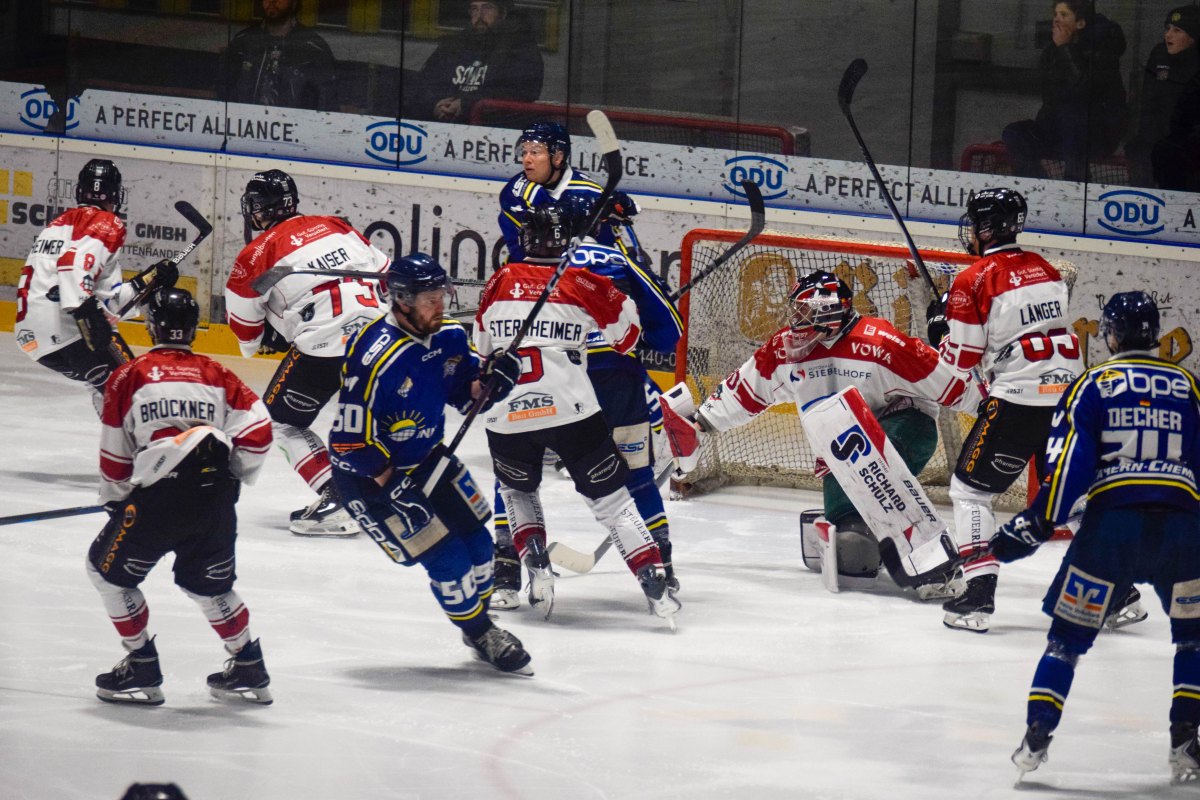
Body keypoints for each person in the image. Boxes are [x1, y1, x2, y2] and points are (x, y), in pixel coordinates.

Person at [990, 292, 1200, 782]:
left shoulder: (1093, 384)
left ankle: (1037, 736)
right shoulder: (1188, 385)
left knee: (1065, 642)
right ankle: (1186, 740)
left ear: (1111, 335)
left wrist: (1038, 523)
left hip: (1110, 531)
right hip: (1183, 533)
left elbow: (1070, 466)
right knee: (1193, 640)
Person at [687, 270, 983, 594]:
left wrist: (990, 408)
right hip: (843, 450)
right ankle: (871, 529)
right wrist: (701, 422)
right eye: (796, 310)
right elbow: (745, 389)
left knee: (865, 457)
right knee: (853, 552)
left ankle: (931, 559)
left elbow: (948, 380)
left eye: (805, 312)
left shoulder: (880, 342)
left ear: (828, 312)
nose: (796, 319)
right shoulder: (786, 349)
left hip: (905, 427)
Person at [327, 253, 532, 675]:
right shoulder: (374, 356)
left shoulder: (450, 336)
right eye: (429, 300)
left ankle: (477, 625)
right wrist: (391, 485)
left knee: (481, 547)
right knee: (449, 560)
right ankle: (481, 631)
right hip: (371, 477)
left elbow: (466, 394)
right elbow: (348, 442)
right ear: (402, 300)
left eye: (442, 296)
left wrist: (494, 382)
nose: (440, 306)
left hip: (426, 460)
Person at [475, 208, 681, 626]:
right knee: (615, 499)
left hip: (509, 411)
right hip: (577, 405)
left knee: (515, 491)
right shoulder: (587, 278)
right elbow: (632, 338)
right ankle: (657, 582)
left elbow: (483, 350)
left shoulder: (500, 279)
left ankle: (525, 567)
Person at [87, 287, 274, 706]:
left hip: (157, 503)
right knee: (211, 587)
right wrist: (231, 476)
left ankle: (141, 665)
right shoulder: (218, 373)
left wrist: (116, 500)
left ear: (151, 326)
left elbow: (115, 456)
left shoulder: (128, 375)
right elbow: (259, 431)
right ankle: (248, 664)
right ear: (193, 328)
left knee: (107, 574)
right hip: (213, 501)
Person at [224, 169, 390, 537]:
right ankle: (395, 495)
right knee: (377, 421)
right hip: (380, 339)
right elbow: (385, 273)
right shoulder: (335, 225)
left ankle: (340, 497)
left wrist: (266, 337)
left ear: (257, 209)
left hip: (324, 347)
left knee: (281, 422)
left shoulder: (256, 254)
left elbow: (245, 331)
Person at [14, 159, 177, 414]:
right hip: (69, 333)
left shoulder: (57, 225)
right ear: (116, 195)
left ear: (80, 191)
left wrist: (147, 283)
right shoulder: (107, 222)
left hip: (34, 340)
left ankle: (116, 434)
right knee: (141, 398)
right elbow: (72, 266)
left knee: (113, 392)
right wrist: (87, 316)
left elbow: (103, 300)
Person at [1001, 1, 1127, 181]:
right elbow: (1050, 98)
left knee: (1073, 117)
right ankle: (1039, 185)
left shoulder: (1101, 52)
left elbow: (1084, 91)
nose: (1056, 20)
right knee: (1014, 133)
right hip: (1058, 129)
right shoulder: (1052, 52)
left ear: (1080, 23)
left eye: (1064, 15)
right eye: (1055, 14)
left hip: (1094, 134)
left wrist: (1066, 48)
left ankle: (1074, 185)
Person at [497, 121, 637, 264]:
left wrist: (619, 205)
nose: (526, 159)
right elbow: (524, 251)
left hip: (585, 272)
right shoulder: (515, 192)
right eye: (524, 152)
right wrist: (577, 211)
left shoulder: (590, 193)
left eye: (535, 152)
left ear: (558, 158)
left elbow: (611, 254)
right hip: (528, 271)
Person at [409, 0, 544, 124]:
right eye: (474, 9)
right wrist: (435, 104)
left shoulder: (520, 47)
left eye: (487, 8)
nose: (479, 15)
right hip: (441, 127)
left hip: (493, 130)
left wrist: (466, 104)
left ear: (502, 13)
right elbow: (425, 82)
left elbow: (521, 91)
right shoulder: (453, 44)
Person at [1126, 5, 1200, 187]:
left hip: (1187, 142)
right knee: (1138, 150)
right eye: (1167, 28)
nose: (1168, 35)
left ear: (1193, 37)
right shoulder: (1159, 55)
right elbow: (1148, 102)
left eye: (1177, 30)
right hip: (1157, 138)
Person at [222, 0, 336, 111]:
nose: (272, 1)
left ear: (294, 3)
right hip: (248, 121)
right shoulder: (243, 42)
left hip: (294, 122)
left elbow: (327, 102)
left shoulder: (313, 48)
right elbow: (223, 91)